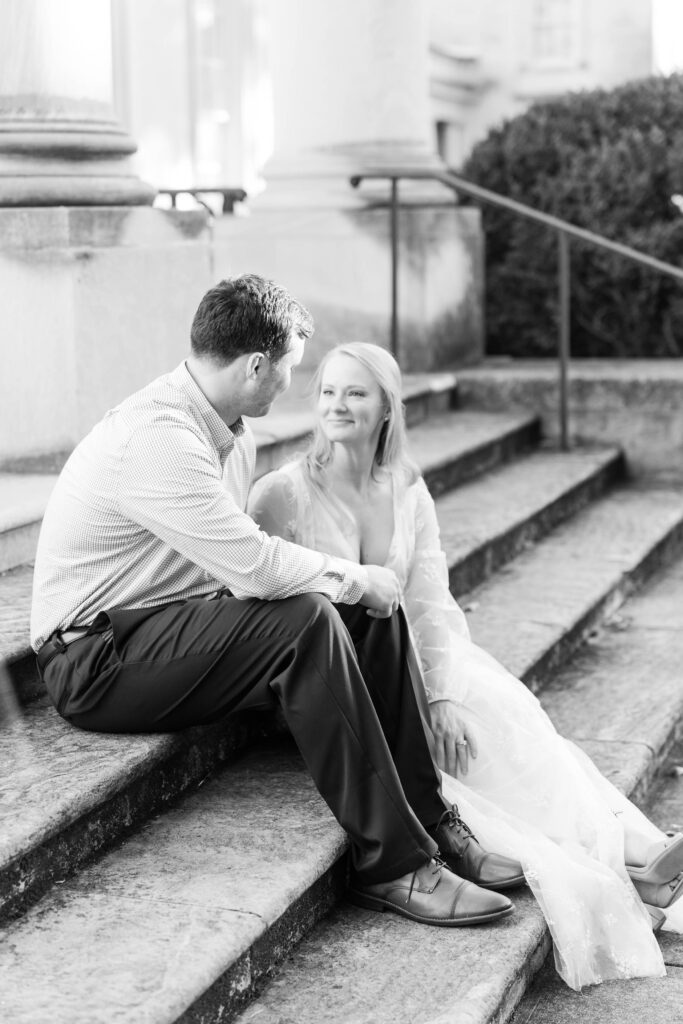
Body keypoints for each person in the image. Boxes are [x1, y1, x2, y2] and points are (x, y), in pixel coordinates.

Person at [30, 275, 524, 930]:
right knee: (316, 610)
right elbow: (257, 568)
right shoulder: (159, 439)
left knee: (364, 606)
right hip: (95, 661)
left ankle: (431, 819)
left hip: (166, 628)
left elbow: (239, 569)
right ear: (257, 364)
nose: (292, 385)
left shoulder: (224, 429)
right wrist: (352, 577)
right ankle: (394, 865)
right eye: (290, 369)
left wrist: (358, 587)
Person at [247, 340, 683, 990]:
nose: (337, 405)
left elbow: (429, 599)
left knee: (498, 711)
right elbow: (267, 612)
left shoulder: (406, 486)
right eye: (328, 392)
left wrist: (441, 691)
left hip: (418, 656)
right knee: (473, 745)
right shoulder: (282, 494)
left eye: (355, 393)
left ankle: (633, 850)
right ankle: (620, 855)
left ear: (386, 407)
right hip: (339, 680)